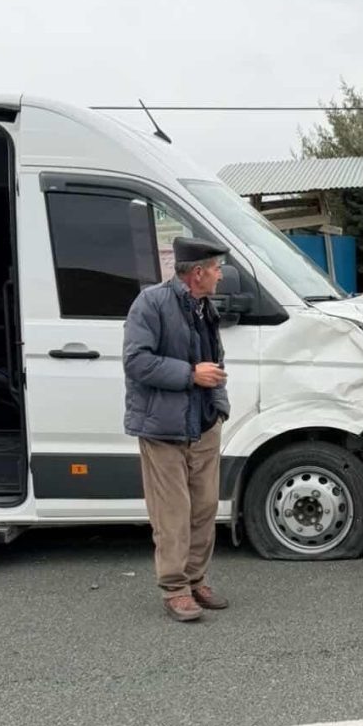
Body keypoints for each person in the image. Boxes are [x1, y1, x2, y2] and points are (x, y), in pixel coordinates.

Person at [123, 237, 231, 622]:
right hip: (164, 427)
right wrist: (190, 374)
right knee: (172, 513)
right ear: (197, 273)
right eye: (217, 268)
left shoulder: (204, 307)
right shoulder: (151, 303)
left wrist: (218, 404)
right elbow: (136, 362)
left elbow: (210, 359)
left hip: (202, 422)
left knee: (203, 508)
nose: (221, 274)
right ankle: (175, 589)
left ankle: (196, 578)